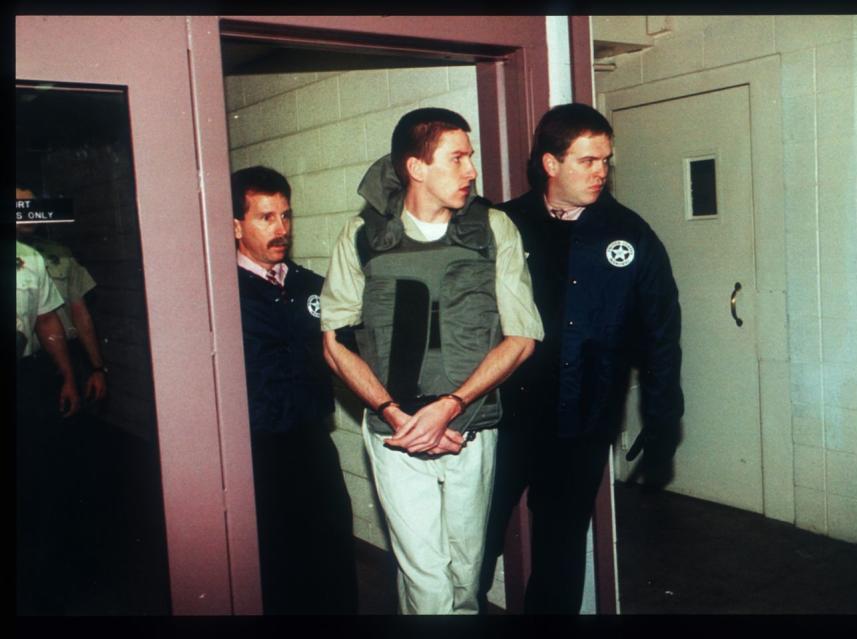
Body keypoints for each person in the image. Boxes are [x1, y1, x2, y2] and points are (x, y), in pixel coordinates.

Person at [320, 107, 543, 614]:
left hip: (470, 427)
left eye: (471, 158)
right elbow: (335, 342)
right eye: (457, 158)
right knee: (426, 578)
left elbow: (523, 336)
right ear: (416, 167)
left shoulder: (495, 229)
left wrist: (450, 407)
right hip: (395, 432)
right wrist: (394, 414)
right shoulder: (359, 235)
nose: (471, 171)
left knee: (465, 576)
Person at [479, 103, 685, 614]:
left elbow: (662, 335)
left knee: (561, 554)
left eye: (606, 161)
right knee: (474, 543)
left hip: (583, 424)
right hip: (506, 421)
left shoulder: (630, 236)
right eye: (587, 160)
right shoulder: (503, 225)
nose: (601, 172)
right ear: (551, 163)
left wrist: (662, 419)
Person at [232, 165, 357, 615]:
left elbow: (348, 352)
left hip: (310, 438)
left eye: (286, 216)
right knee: (276, 563)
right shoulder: (222, 293)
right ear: (235, 226)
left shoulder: (308, 285)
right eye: (266, 217)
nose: (281, 228)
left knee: (333, 547)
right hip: (256, 449)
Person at [16, 237, 81, 612]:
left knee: (38, 482)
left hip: (23, 378)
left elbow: (46, 320)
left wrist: (67, 377)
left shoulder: (28, 258)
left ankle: (39, 589)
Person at [17, 187, 108, 408]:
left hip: (43, 364)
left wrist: (95, 368)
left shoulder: (47, 257)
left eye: (34, 207)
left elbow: (75, 313)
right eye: (21, 207)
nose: (30, 213)